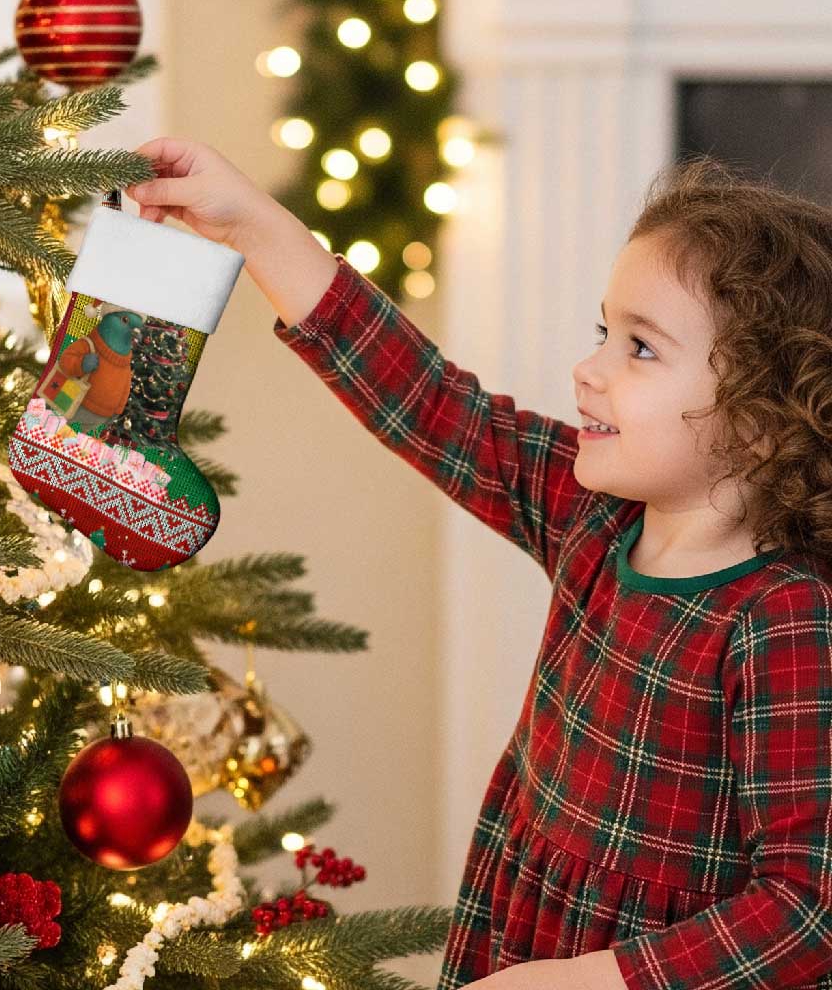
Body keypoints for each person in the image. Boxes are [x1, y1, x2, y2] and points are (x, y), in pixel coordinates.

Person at [125, 139, 832, 990]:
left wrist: (587, 982)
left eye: (640, 349)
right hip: (522, 931)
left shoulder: (786, 618)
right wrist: (259, 228)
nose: (590, 369)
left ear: (764, 421)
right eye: (604, 333)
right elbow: (429, 401)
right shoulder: (594, 518)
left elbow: (805, 907)